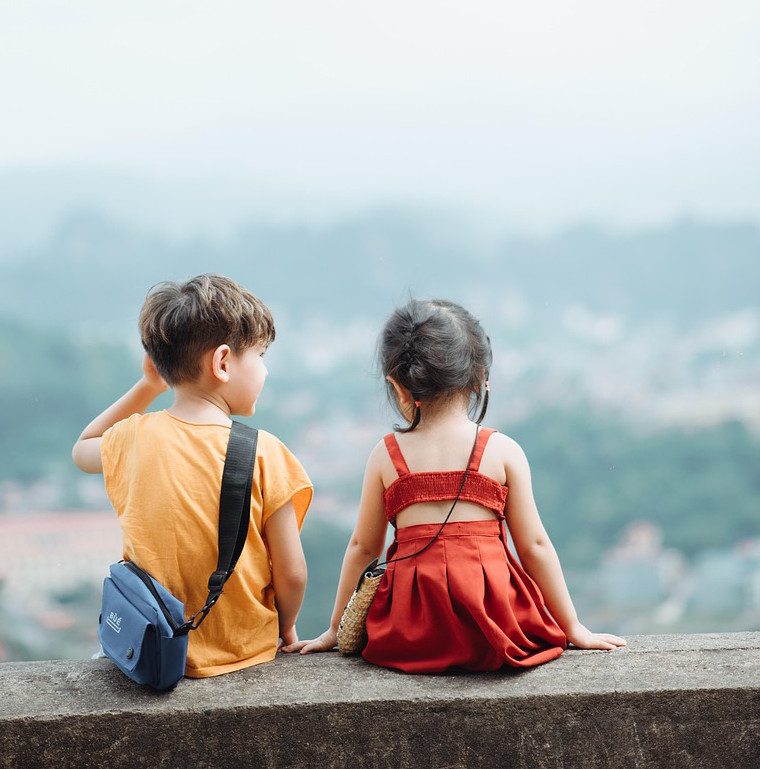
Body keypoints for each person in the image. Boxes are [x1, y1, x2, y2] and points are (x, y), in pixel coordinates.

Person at [286, 299, 625, 672]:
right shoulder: (501, 451)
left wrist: (336, 628)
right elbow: (534, 546)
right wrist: (573, 626)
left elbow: (363, 547)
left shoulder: (385, 455)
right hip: (494, 627)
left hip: (409, 633)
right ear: (480, 378)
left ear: (398, 386)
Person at [72, 274, 313, 678]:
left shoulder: (133, 438)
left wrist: (149, 387)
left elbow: (83, 448)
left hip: (156, 649)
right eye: (259, 355)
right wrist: (285, 625)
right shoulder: (266, 453)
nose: (265, 371)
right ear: (222, 363)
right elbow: (292, 573)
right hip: (244, 654)